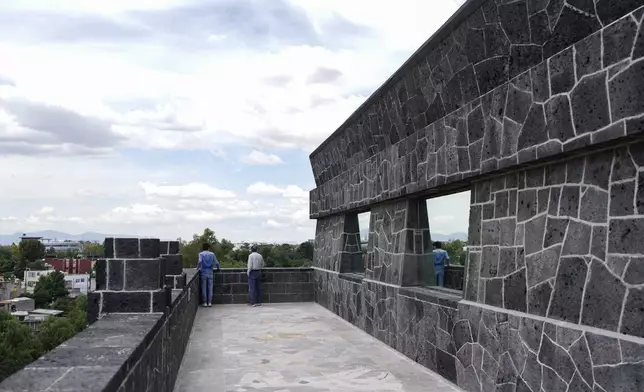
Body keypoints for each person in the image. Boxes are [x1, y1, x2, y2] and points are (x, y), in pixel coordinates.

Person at [198, 243, 220, 307]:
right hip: (210, 272)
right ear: (208, 248)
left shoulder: (201, 254)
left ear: (203, 248)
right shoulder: (212, 254)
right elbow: (216, 263)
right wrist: (218, 268)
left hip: (203, 272)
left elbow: (199, 261)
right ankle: (210, 302)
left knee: (204, 288)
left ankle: (204, 302)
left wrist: (197, 268)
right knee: (210, 288)